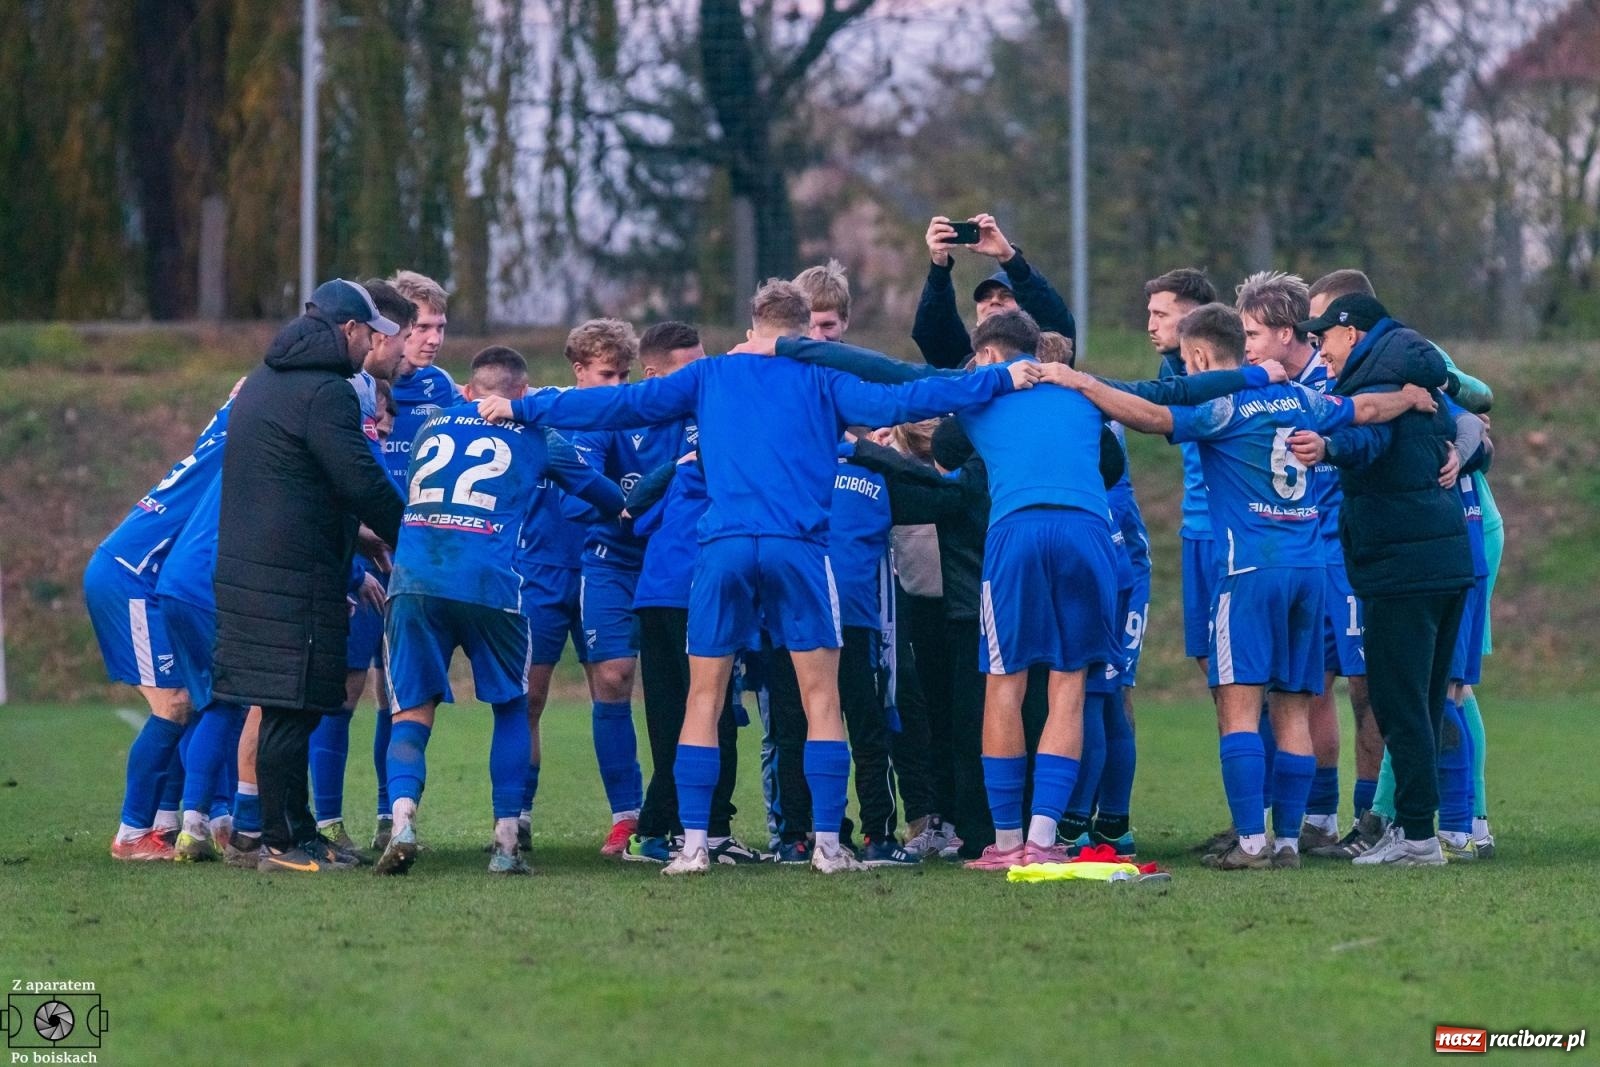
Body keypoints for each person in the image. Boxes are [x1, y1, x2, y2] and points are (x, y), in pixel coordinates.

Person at [478, 279, 1040, 875]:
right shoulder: (821, 378)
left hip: (722, 548)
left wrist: (522, 408)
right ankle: (828, 846)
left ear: (753, 329)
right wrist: (1001, 378)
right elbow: (908, 398)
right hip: (797, 548)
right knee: (821, 697)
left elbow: (617, 406)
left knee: (703, 696)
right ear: (801, 334)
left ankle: (695, 845)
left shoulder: (709, 375)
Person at [1064, 303, 1433, 870]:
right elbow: (1363, 409)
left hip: (1249, 571)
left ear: (1199, 357)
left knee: (1238, 707)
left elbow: (1151, 416)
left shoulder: (1223, 406)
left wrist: (1082, 383)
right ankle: (1285, 842)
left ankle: (1252, 843)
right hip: (1308, 571)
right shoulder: (1301, 398)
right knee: (1293, 709)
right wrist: (1407, 398)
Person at [375, 346, 625, 876]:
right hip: (491, 580)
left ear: (468, 390)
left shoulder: (431, 427)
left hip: (415, 578)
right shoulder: (538, 434)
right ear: (522, 394)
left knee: (411, 711)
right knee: (512, 706)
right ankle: (506, 845)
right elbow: (605, 496)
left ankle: (401, 823)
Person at [211, 278, 406, 874]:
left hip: (257, 569)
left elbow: (294, 482)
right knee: (290, 707)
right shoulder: (326, 392)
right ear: (348, 329)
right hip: (291, 576)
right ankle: (280, 842)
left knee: (290, 706)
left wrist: (357, 536)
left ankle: (297, 830)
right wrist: (412, 536)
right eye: (371, 334)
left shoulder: (267, 380)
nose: (372, 346)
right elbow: (358, 480)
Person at [1286, 292, 1474, 867]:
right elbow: (1474, 428)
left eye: (1324, 336)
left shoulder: (1379, 386)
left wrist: (1328, 447)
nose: (1319, 348)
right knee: (1425, 701)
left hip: (1402, 570)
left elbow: (1368, 438)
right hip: (1445, 562)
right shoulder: (1418, 380)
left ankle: (1417, 837)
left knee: (1400, 704)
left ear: (1353, 333)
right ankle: (1421, 827)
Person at [1236, 270, 1377, 855]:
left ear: (1286, 331)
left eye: (1253, 333)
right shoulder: (1266, 390)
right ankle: (1317, 819)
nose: (1246, 346)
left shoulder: (1332, 380)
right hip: (1301, 558)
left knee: (1367, 690)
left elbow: (1375, 422)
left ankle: (1373, 818)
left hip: (1348, 557)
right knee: (1306, 687)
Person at [563, 319, 699, 854]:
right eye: (609, 375)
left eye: (623, 376)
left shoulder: (692, 415)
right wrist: (635, 500)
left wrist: (643, 499)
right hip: (612, 563)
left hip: (673, 562)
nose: (617, 386)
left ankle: (685, 815)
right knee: (614, 677)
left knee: (688, 689)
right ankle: (626, 814)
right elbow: (580, 495)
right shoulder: (604, 419)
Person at [88, 388, 236, 861]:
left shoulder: (222, 432)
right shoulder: (245, 447)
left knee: (188, 700)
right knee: (173, 704)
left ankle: (164, 823)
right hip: (132, 577)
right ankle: (132, 835)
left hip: (147, 577)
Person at [310, 281, 416, 856]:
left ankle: (385, 816)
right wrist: (360, 553)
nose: (422, 342)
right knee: (340, 692)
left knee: (397, 696)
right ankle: (325, 820)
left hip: (397, 569)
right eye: (412, 331)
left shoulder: (433, 392)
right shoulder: (341, 389)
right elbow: (341, 485)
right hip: (354, 568)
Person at [913, 213, 1077, 368]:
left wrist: (1009, 257)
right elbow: (933, 331)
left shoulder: (1047, 359)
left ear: (1029, 317)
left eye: (1006, 296)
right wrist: (939, 267)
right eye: (985, 297)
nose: (994, 301)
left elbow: (1053, 317)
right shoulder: (964, 369)